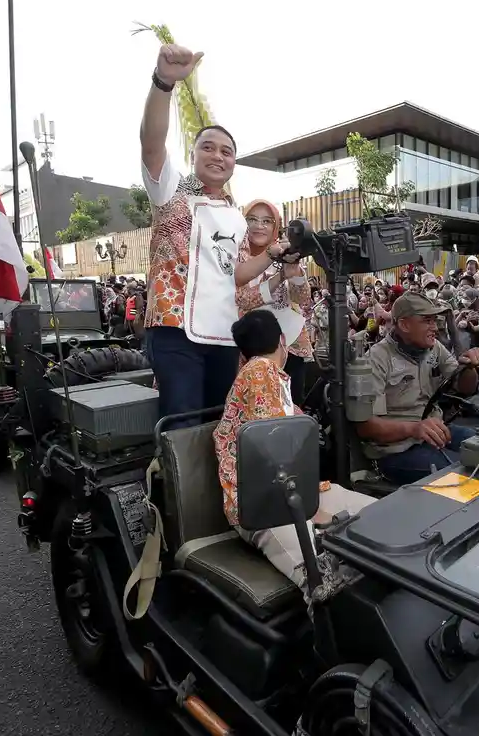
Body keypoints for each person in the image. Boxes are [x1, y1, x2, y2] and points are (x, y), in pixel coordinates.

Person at [212, 310, 374, 589]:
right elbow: (273, 454)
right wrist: (310, 514)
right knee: (325, 574)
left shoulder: (270, 378)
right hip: (265, 502)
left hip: (299, 491)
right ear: (283, 341)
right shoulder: (260, 372)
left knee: (382, 517)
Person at [139, 42, 247, 426]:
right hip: (175, 329)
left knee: (220, 423)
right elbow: (151, 145)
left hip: (223, 334)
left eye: (227, 151)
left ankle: (220, 489)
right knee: (182, 424)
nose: (218, 156)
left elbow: (240, 275)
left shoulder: (238, 217)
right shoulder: (171, 192)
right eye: (208, 147)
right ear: (194, 155)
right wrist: (163, 83)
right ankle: (174, 487)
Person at [357, 292, 479, 485]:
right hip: (395, 450)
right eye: (427, 321)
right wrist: (415, 428)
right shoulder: (376, 359)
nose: (435, 327)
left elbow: (465, 388)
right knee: (462, 478)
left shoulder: (434, 348)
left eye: (435, 320)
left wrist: (469, 367)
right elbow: (365, 427)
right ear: (404, 325)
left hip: (434, 431)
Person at [234, 199, 313, 406]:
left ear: (275, 226)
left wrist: (294, 272)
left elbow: (302, 299)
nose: (259, 226)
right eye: (252, 219)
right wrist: (278, 278)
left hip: (290, 344)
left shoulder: (285, 253)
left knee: (292, 407)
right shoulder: (234, 258)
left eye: (267, 221)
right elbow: (242, 300)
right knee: (256, 409)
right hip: (249, 350)